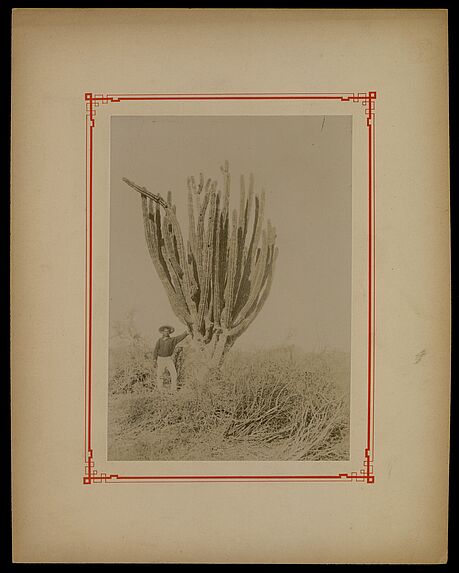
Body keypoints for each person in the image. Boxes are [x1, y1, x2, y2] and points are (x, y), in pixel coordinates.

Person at [153, 325, 189, 392]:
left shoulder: (172, 340)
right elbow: (156, 350)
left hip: (168, 359)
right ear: (162, 332)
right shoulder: (159, 340)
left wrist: (186, 332)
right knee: (160, 374)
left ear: (169, 332)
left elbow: (180, 337)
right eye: (165, 331)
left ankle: (173, 389)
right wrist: (154, 359)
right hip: (160, 359)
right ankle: (160, 389)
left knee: (174, 374)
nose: (166, 332)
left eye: (167, 331)